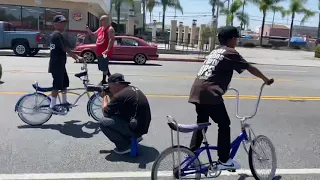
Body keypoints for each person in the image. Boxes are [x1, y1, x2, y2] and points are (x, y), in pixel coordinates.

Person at [188, 26, 274, 170]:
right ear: (231, 39)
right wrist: (265, 79)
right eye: (236, 38)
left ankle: (191, 155)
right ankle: (223, 160)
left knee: (201, 124)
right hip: (210, 94)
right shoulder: (230, 52)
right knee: (224, 123)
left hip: (197, 92)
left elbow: (214, 72)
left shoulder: (215, 51)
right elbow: (248, 67)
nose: (237, 41)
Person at [101, 73, 152, 154]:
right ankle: (134, 136)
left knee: (103, 122)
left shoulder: (120, 96)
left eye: (110, 87)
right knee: (115, 115)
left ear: (116, 85)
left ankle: (124, 146)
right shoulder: (131, 89)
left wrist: (104, 97)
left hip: (136, 128)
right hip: (142, 125)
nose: (109, 89)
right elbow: (115, 109)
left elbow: (105, 112)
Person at [48, 15, 82, 113]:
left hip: (60, 64)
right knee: (57, 85)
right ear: (55, 24)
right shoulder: (57, 35)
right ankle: (52, 106)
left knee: (64, 83)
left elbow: (67, 47)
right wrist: (77, 57)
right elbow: (65, 49)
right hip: (56, 64)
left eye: (64, 23)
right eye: (61, 23)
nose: (64, 25)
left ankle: (64, 102)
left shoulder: (59, 34)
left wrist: (75, 55)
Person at [86, 15, 115, 85]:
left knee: (104, 65)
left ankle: (104, 80)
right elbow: (93, 34)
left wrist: (107, 49)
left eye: (102, 20)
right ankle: (111, 78)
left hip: (105, 52)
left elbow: (111, 40)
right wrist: (88, 29)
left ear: (106, 20)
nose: (101, 21)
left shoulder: (110, 29)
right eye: (101, 20)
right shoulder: (100, 28)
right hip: (99, 52)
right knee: (103, 65)